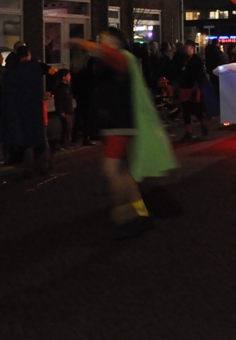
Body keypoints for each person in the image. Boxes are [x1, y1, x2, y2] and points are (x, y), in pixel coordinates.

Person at [75, 28, 178, 239]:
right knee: (122, 172)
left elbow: (105, 55)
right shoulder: (116, 60)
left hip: (119, 123)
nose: (103, 41)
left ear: (116, 41)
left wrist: (79, 43)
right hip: (115, 122)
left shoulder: (121, 58)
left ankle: (127, 215)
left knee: (111, 170)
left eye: (106, 38)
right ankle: (139, 214)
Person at [0, 47, 53, 173]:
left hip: (21, 108)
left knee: (26, 138)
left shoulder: (13, 69)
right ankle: (44, 163)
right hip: (36, 106)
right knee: (40, 135)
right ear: (29, 54)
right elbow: (54, 73)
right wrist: (50, 90)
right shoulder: (37, 66)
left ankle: (28, 167)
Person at [175, 42, 208, 141]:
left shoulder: (197, 59)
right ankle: (188, 131)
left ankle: (203, 122)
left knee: (196, 108)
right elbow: (177, 70)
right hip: (183, 86)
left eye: (187, 46)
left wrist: (197, 85)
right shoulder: (182, 58)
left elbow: (200, 73)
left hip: (193, 87)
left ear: (192, 48)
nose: (185, 48)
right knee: (186, 109)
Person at [52, 69, 74, 148]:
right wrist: (61, 111)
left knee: (69, 127)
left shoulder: (68, 86)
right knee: (66, 128)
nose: (70, 77)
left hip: (68, 110)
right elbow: (58, 101)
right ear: (64, 77)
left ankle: (68, 142)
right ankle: (64, 144)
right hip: (64, 111)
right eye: (68, 75)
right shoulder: (60, 88)